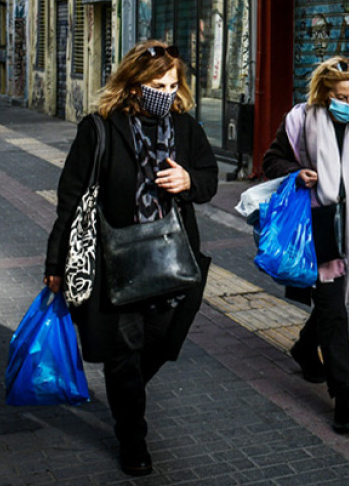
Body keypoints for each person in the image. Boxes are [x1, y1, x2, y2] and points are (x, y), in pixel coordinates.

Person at [44, 40, 218, 476]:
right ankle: (132, 439)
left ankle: (126, 391)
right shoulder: (100, 127)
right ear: (134, 85)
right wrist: (55, 262)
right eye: (157, 83)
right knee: (125, 352)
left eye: (173, 83)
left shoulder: (185, 129)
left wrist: (189, 180)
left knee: (160, 343)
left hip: (173, 258)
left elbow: (210, 180)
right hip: (115, 261)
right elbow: (70, 199)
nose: (166, 91)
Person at [262, 55, 349, 434]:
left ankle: (306, 349)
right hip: (317, 228)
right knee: (335, 314)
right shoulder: (299, 120)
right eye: (342, 96)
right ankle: (345, 399)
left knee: (330, 305)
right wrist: (295, 173)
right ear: (325, 92)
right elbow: (271, 161)